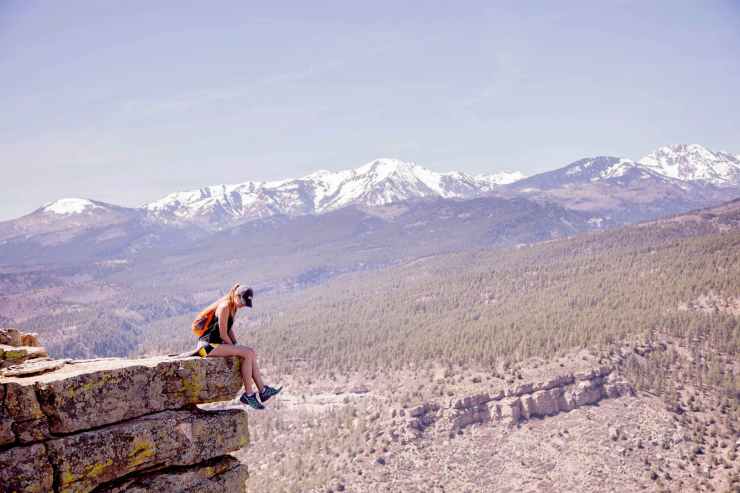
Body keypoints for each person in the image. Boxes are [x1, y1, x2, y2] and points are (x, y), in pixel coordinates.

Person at [192, 283, 282, 410]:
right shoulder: (224, 307)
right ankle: (250, 395)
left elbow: (228, 329)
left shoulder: (232, 306)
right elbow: (223, 334)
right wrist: (236, 349)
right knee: (247, 352)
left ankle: (262, 391)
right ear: (237, 296)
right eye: (243, 302)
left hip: (215, 345)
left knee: (249, 353)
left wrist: (236, 345)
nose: (243, 306)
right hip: (206, 348)